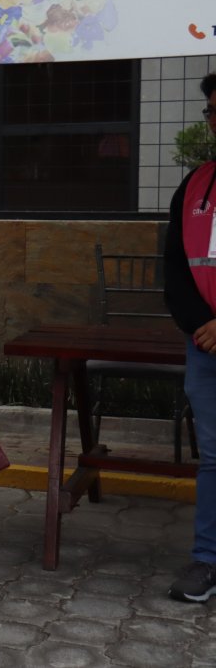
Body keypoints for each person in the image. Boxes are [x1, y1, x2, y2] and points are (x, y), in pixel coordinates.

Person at [163, 71, 216, 604]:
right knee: (215, 459)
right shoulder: (196, 185)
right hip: (206, 348)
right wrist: (203, 324)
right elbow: (176, 267)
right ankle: (208, 560)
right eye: (214, 112)